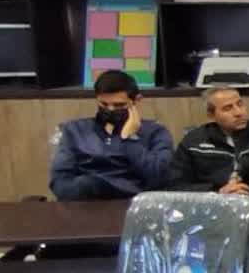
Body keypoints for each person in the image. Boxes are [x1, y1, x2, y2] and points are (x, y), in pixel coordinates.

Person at [50, 70, 174, 200]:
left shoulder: (155, 132)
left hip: (134, 205)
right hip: (86, 203)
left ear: (136, 100)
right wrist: (95, 185)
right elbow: (60, 184)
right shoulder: (75, 130)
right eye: (103, 104)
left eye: (119, 105)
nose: (110, 110)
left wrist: (130, 139)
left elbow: (160, 179)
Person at [167, 88, 249, 196]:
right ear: (211, 115)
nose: (238, 112)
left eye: (240, 104)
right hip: (213, 207)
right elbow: (175, 185)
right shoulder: (193, 141)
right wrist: (217, 192)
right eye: (228, 108)